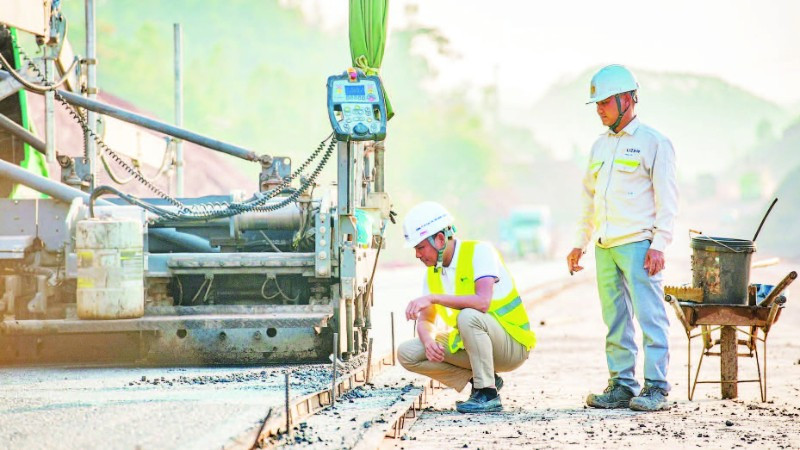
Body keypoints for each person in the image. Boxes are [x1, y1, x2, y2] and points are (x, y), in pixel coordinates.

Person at [566, 64, 678, 412]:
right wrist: (579, 242)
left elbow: (667, 199)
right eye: (597, 104)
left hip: (639, 246)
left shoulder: (654, 143)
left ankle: (656, 386)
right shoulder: (599, 147)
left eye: (604, 103)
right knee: (614, 319)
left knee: (650, 317)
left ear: (627, 100)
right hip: (605, 245)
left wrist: (659, 244)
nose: (599, 110)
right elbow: (588, 198)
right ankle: (622, 385)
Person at [397, 201, 536, 413]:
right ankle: (483, 379)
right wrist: (428, 342)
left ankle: (487, 394)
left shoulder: (480, 252)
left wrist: (434, 298)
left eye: (420, 247)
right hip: (475, 345)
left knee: (469, 316)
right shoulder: (433, 273)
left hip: (512, 345)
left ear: (440, 239)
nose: (417, 255)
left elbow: (482, 302)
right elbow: (426, 320)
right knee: (407, 353)